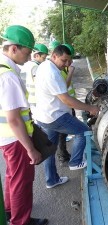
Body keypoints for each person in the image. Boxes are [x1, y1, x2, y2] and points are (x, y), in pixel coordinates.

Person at [0, 25, 48, 225]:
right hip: (16, 138)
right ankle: (21, 221)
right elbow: (13, 118)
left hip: (7, 138)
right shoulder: (8, 76)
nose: (29, 58)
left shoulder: (3, 69)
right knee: (22, 181)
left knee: (12, 176)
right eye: (27, 53)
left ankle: (10, 211)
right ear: (13, 49)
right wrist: (30, 149)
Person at [34, 45, 99, 188]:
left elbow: (62, 87)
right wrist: (90, 108)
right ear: (54, 56)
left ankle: (51, 180)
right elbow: (66, 99)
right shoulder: (52, 72)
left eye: (68, 61)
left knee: (49, 150)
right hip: (56, 116)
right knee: (84, 131)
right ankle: (75, 162)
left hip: (45, 116)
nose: (66, 64)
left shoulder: (45, 66)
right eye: (64, 60)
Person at [56, 43, 77, 164]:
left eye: (70, 59)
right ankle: (64, 156)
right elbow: (65, 87)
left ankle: (63, 154)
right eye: (66, 60)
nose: (69, 62)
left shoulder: (62, 69)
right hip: (65, 106)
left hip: (69, 105)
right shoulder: (58, 71)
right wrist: (70, 73)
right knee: (65, 133)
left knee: (63, 134)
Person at [25, 43, 49, 118]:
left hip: (31, 99)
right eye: (43, 58)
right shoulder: (36, 67)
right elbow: (40, 84)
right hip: (37, 99)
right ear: (36, 56)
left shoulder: (28, 64)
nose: (44, 60)